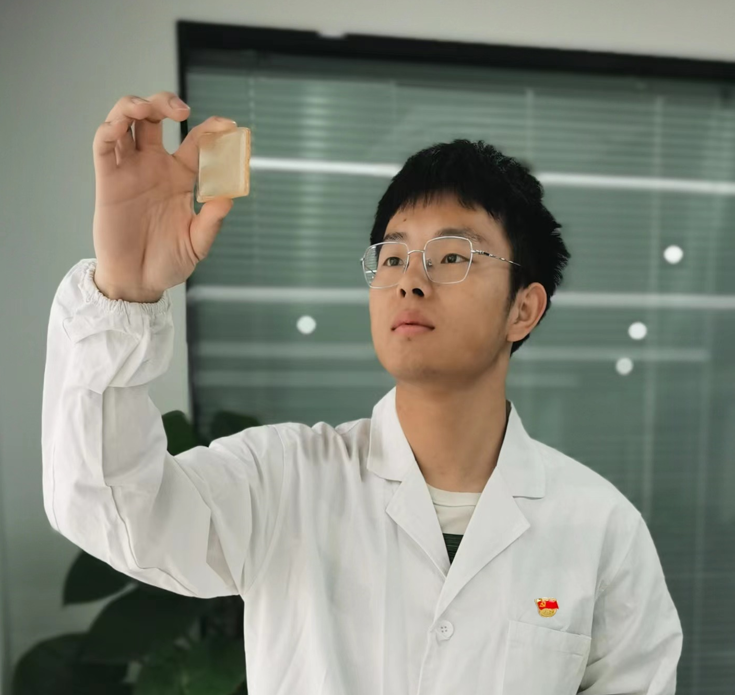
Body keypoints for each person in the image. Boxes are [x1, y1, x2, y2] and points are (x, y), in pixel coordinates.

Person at [42, 91, 683, 695]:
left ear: (524, 309)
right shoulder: (283, 481)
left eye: (453, 256)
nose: (410, 281)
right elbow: (112, 508)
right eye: (394, 257)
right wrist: (125, 288)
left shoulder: (600, 527)